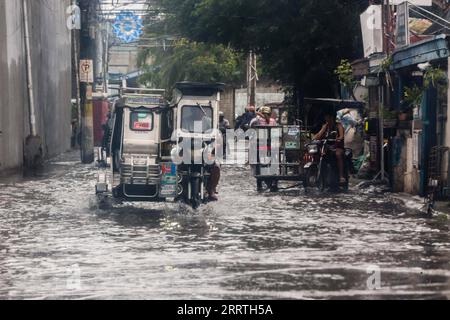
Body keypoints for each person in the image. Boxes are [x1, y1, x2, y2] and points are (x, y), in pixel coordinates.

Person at [314, 111, 346, 184]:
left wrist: (339, 139)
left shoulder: (338, 125)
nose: (327, 119)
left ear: (332, 118)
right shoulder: (325, 126)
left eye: (328, 117)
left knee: (338, 154)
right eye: (326, 117)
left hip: (337, 146)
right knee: (317, 153)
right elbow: (318, 136)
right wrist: (323, 129)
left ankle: (341, 176)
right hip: (326, 147)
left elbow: (341, 135)